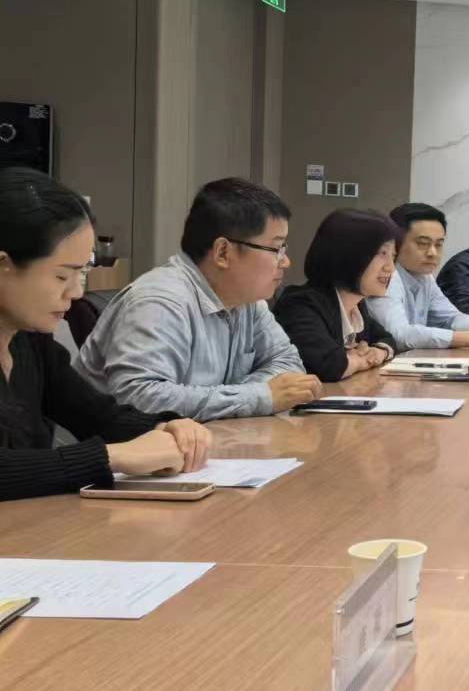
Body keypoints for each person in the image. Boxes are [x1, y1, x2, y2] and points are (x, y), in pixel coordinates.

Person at [0, 168, 210, 500]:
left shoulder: (29, 340)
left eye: (82, 273)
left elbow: (96, 415)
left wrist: (163, 427)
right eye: (62, 276)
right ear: (4, 265)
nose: (76, 292)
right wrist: (112, 457)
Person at [77, 178, 321, 419]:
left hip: (211, 438)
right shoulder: (160, 302)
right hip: (124, 443)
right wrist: (258, 397)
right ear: (223, 252)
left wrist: (249, 396)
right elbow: (139, 398)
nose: (286, 262)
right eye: (276, 249)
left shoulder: (248, 301)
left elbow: (288, 363)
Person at [273, 209, 401, 382]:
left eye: (393, 256)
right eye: (382, 253)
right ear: (348, 254)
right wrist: (361, 361)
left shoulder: (356, 305)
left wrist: (378, 352)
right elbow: (328, 365)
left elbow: (387, 338)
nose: (390, 268)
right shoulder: (301, 304)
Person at [369, 203, 469, 351]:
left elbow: (450, 316)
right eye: (423, 243)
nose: (432, 253)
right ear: (395, 244)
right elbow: (399, 336)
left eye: (438, 244)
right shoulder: (385, 276)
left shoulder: (424, 276)